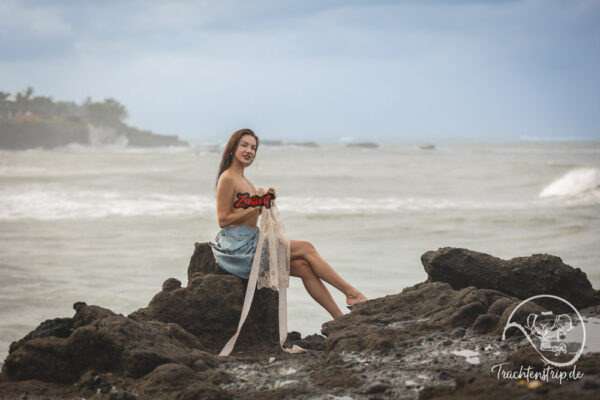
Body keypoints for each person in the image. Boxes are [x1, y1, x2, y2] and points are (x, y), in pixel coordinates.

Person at [210, 128, 368, 319]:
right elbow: (223, 220)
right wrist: (257, 204)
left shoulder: (246, 181)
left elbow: (248, 213)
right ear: (232, 147)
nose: (249, 151)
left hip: (252, 239)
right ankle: (352, 293)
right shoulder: (228, 178)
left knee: (303, 267)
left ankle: (339, 317)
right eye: (244, 145)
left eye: (253, 148)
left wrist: (264, 201)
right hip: (239, 247)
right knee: (307, 248)